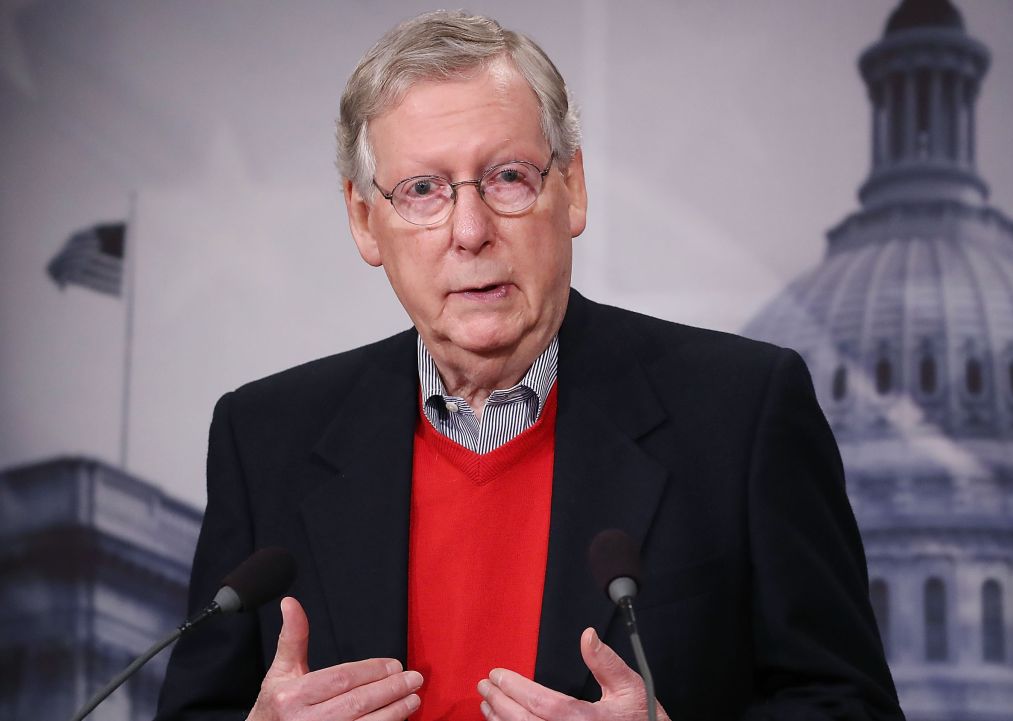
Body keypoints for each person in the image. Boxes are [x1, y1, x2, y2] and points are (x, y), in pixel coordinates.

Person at [156, 10, 901, 721]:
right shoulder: (265, 438)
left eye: (508, 177)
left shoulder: (743, 412)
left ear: (570, 188)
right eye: (423, 191)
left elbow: (851, 703)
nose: (471, 230)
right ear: (363, 219)